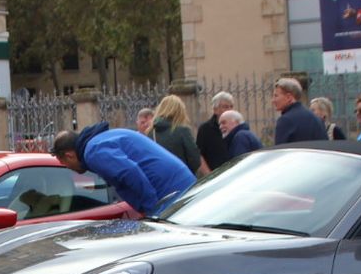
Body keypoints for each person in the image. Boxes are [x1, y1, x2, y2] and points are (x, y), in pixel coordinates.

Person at [53, 122, 195, 217]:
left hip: (172, 192)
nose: (68, 168)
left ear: (69, 155)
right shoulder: (99, 141)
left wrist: (152, 209)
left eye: (64, 163)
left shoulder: (93, 152)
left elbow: (130, 172)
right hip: (179, 185)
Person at [149, 94, 201, 175]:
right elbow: (195, 160)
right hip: (181, 176)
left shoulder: (150, 133)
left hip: (159, 178)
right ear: (180, 111)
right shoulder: (183, 131)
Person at [272, 77, 327, 143]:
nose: (273, 100)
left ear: (288, 97)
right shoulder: (317, 119)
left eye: (276, 96)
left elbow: (280, 148)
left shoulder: (285, 120)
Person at [196, 91, 234, 173]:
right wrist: (209, 175)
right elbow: (199, 155)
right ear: (215, 110)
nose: (229, 110)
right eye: (225, 107)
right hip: (215, 175)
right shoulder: (205, 129)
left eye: (231, 106)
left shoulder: (236, 127)